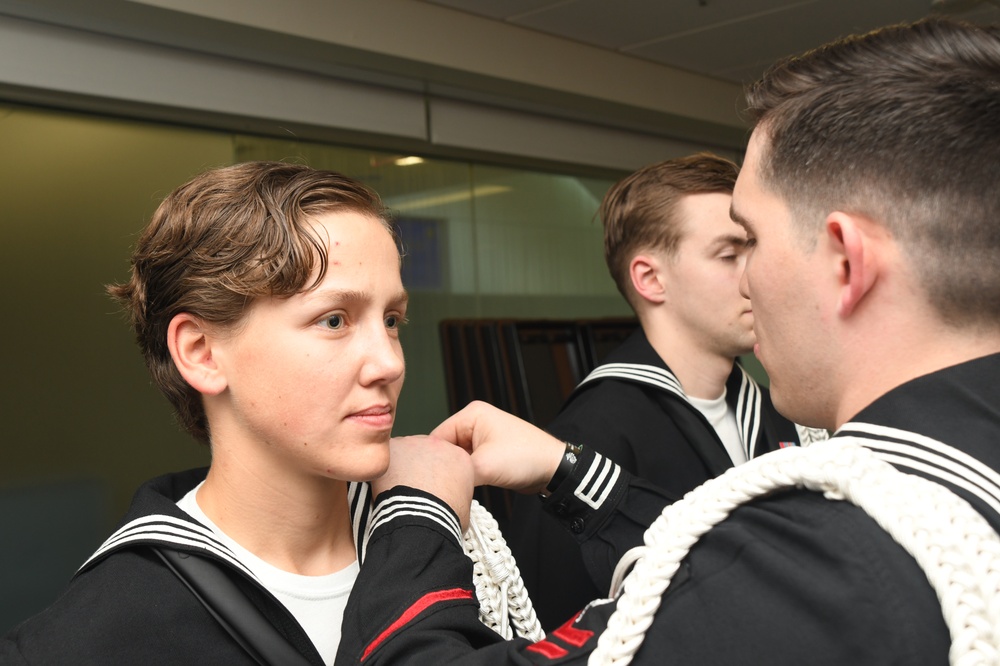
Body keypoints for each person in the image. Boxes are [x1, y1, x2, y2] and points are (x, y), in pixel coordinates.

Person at [333, 17, 1000, 665]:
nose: (749, 280)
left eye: (754, 242)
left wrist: (416, 514)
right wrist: (572, 471)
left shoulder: (807, 566)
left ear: (846, 264)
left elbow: (718, 575)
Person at [0, 161, 445, 665]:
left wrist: (555, 468)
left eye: (392, 320)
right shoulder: (90, 642)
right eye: (334, 319)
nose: (390, 362)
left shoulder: (449, 542)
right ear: (202, 352)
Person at [507, 153, 821, 628]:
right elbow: (553, 627)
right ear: (651, 279)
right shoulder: (586, 439)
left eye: (753, 251)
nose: (755, 275)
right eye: (728, 254)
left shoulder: (780, 405)